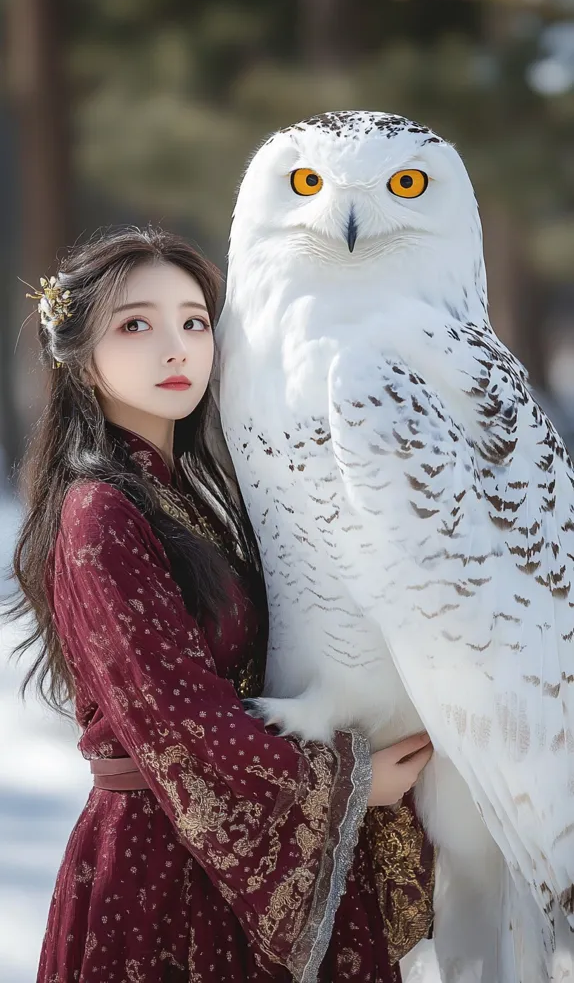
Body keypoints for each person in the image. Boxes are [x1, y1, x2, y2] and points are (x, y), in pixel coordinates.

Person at [11, 225, 434, 983]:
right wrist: (351, 782)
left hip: (220, 849)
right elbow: (179, 719)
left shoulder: (194, 502)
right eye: (135, 324)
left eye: (194, 321)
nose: (175, 348)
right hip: (157, 874)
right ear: (78, 357)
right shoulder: (98, 514)